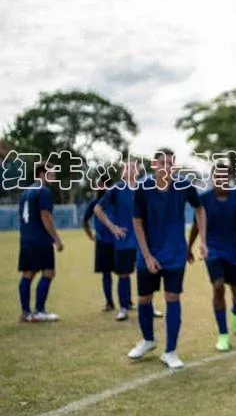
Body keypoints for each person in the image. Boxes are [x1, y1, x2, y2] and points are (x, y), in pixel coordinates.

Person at [127, 149, 207, 369]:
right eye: (162, 163)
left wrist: (203, 241)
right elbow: (137, 222)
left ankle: (170, 351)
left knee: (173, 298)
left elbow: (200, 209)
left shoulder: (183, 185)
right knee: (144, 299)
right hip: (148, 254)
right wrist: (147, 256)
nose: (167, 168)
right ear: (154, 165)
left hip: (174, 254)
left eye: (171, 164)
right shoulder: (143, 187)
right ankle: (148, 340)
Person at [188, 164, 236, 352]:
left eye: (225, 177)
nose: (221, 180)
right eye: (217, 177)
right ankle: (223, 334)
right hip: (213, 251)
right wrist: (189, 247)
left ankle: (235, 313)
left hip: (234, 254)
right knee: (218, 288)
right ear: (212, 178)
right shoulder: (203, 200)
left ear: (230, 178)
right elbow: (196, 225)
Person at [95, 159, 163, 321]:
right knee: (123, 274)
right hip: (124, 240)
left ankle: (149, 306)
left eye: (133, 167)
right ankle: (124, 308)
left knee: (147, 273)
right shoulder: (116, 189)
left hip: (144, 241)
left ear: (138, 171)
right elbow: (97, 209)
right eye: (126, 168)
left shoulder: (146, 187)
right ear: (122, 172)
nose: (130, 170)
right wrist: (113, 228)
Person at [18, 164, 63, 322]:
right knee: (48, 272)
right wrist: (56, 239)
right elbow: (45, 217)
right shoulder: (44, 191)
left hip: (26, 239)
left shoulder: (26, 191)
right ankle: (39, 310)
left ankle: (26, 313)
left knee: (28, 274)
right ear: (42, 173)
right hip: (40, 240)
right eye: (51, 174)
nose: (54, 177)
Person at [83, 179, 116, 311]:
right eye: (98, 184)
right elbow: (85, 220)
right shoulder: (94, 203)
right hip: (102, 242)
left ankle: (127, 302)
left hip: (118, 241)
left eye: (101, 184)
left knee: (123, 273)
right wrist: (90, 235)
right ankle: (109, 302)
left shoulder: (115, 200)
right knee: (106, 273)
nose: (98, 187)